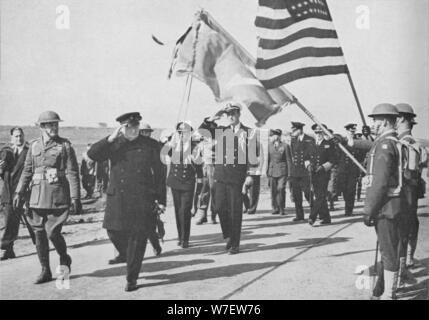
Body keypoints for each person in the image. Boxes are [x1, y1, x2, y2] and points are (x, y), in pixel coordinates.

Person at [87, 112, 166, 292]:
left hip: (142, 200)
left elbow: (161, 175)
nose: (133, 130)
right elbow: (92, 155)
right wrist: (110, 137)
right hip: (118, 199)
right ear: (122, 128)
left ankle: (132, 278)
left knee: (137, 240)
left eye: (135, 127)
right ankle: (124, 254)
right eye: (128, 127)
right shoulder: (114, 144)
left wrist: (160, 200)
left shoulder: (151, 146)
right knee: (113, 231)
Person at [14, 111, 81, 284]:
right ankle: (45, 270)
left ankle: (64, 258)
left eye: (56, 124)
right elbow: (27, 171)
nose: (54, 127)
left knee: (52, 232)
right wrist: (19, 192)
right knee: (39, 234)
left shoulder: (65, 146)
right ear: (42, 127)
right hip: (36, 197)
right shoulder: (34, 146)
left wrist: (76, 197)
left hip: (58, 197)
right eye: (50, 124)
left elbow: (73, 172)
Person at [199, 102, 258, 254]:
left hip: (237, 177)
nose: (231, 116)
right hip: (220, 175)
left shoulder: (248, 132)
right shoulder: (221, 130)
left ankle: (235, 243)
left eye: (234, 113)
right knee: (219, 207)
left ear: (239, 114)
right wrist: (213, 117)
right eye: (228, 114)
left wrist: (250, 175)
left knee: (235, 211)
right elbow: (202, 131)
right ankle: (229, 236)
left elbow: (253, 155)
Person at [360, 103, 403, 300]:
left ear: (385, 121)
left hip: (386, 207)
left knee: (388, 251)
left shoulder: (385, 145)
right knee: (389, 248)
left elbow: (380, 183)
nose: (373, 124)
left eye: (375, 120)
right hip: (392, 206)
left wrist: (369, 211)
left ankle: (389, 295)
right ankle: (384, 290)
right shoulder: (390, 142)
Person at [395, 103, 427, 286]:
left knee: (405, 225)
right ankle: (407, 258)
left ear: (400, 119)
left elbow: (412, 169)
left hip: (406, 190)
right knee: (407, 223)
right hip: (407, 191)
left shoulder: (409, 141)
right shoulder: (403, 140)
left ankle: (406, 260)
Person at [166, 122, 203, 248]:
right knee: (177, 210)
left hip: (188, 182)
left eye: (186, 133)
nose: (183, 135)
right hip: (175, 181)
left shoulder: (194, 147)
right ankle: (180, 236)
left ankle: (185, 238)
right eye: (180, 133)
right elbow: (162, 148)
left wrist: (200, 180)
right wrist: (169, 139)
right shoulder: (173, 146)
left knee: (185, 210)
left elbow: (198, 166)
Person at [0, 128, 29, 260]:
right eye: (16, 136)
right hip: (7, 192)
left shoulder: (29, 152)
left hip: (22, 191)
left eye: (20, 136)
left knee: (28, 221)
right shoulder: (7, 153)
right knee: (9, 221)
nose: (19, 139)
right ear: (12, 138)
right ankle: (8, 249)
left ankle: (41, 244)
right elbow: (3, 174)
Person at [139, 123, 165, 256]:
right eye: (142, 132)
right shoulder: (133, 146)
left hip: (150, 190)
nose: (145, 134)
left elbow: (160, 174)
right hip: (134, 190)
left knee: (149, 222)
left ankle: (155, 244)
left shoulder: (155, 146)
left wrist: (161, 200)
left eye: (147, 132)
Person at [305, 124, 336, 225]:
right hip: (313, 173)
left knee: (320, 196)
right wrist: (308, 165)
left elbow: (333, 159)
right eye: (316, 132)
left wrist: (323, 167)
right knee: (319, 195)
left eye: (320, 132)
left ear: (324, 132)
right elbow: (306, 157)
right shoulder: (310, 144)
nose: (318, 134)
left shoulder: (328, 144)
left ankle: (312, 216)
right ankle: (326, 218)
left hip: (323, 173)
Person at [287, 122, 314, 221]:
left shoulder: (309, 139)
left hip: (305, 171)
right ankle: (299, 215)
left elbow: (313, 154)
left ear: (300, 130)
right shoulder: (293, 141)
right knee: (296, 194)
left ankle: (314, 212)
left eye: (294, 130)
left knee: (308, 193)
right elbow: (293, 155)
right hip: (295, 171)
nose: (293, 132)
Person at [337, 123, 363, 216]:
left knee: (351, 190)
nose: (352, 133)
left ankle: (349, 210)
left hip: (353, 170)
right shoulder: (342, 141)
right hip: (343, 170)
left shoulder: (357, 142)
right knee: (344, 190)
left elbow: (361, 156)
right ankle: (347, 206)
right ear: (347, 131)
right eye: (350, 131)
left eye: (353, 131)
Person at [266, 129, 289, 215]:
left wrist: (289, 173)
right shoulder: (269, 146)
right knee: (273, 190)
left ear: (279, 136)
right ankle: (275, 208)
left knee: (281, 188)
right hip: (272, 170)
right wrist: (267, 171)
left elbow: (289, 160)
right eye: (272, 136)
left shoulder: (285, 146)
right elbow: (268, 159)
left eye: (274, 135)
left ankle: (282, 208)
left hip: (282, 171)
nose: (272, 137)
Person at [243, 129, 264, 215]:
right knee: (242, 190)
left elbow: (261, 158)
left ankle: (252, 208)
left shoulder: (258, 145)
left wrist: (259, 169)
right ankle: (247, 205)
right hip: (243, 170)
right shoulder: (243, 145)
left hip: (254, 169)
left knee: (253, 191)